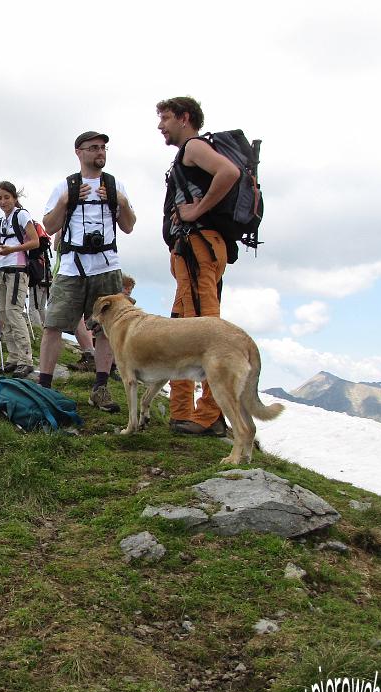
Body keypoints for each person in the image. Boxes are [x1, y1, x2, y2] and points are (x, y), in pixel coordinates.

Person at [157, 96, 239, 437]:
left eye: (165, 118)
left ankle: (211, 416)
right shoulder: (185, 154)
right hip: (189, 252)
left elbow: (229, 172)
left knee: (206, 331)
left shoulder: (193, 147)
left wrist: (195, 210)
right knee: (181, 330)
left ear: (184, 118)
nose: (160, 126)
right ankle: (182, 412)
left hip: (198, 249)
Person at [39, 131, 136, 410]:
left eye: (103, 147)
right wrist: (65, 202)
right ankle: (44, 387)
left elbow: (128, 226)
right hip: (72, 266)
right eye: (93, 148)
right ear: (79, 152)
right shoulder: (64, 186)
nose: (100, 152)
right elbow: (49, 226)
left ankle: (100, 388)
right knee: (54, 324)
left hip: (107, 266)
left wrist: (121, 202)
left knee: (106, 328)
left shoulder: (115, 186)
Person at [0, 181, 38, 379]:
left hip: (17, 268)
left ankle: (25, 359)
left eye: (6, 197)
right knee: (3, 312)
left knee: (14, 312)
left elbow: (34, 242)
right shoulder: (0, 222)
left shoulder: (22, 215)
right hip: (1, 267)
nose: (2, 202)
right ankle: (14, 356)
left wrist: (12, 249)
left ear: (14, 198)